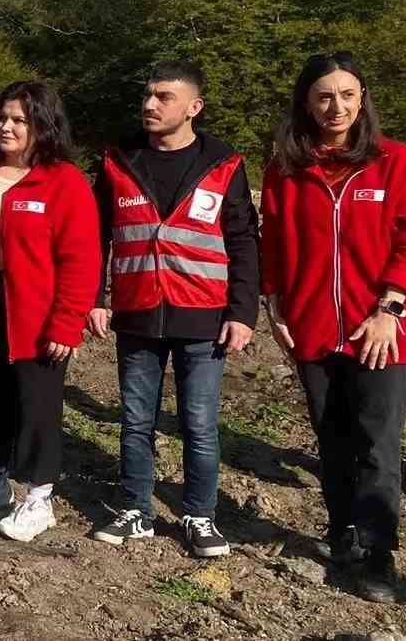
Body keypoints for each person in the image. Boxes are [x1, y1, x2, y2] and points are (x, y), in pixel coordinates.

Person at [87, 62, 258, 559]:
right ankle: (135, 509)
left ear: (194, 108)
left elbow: (244, 239)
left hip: (204, 314)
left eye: (164, 96)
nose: (150, 105)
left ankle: (199, 515)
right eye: (147, 95)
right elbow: (96, 235)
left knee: (199, 424)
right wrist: (96, 297)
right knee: (136, 420)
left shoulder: (223, 161)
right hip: (138, 312)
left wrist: (242, 312)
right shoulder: (118, 158)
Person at [261, 51, 406, 604]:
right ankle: (341, 530)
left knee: (377, 441)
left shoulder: (394, 161)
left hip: (384, 329)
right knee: (332, 437)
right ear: (307, 100)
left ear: (363, 98)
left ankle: (379, 552)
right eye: (325, 95)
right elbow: (273, 242)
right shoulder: (285, 166)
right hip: (313, 326)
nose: (337, 106)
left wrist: (389, 308)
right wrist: (274, 304)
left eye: (348, 95)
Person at [0, 81, 100, 543]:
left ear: (43, 125)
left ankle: (38, 497)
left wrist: (67, 322)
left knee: (36, 404)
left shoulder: (64, 182)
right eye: (2, 117)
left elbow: (82, 259)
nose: (7, 126)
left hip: (36, 313)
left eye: (19, 119)